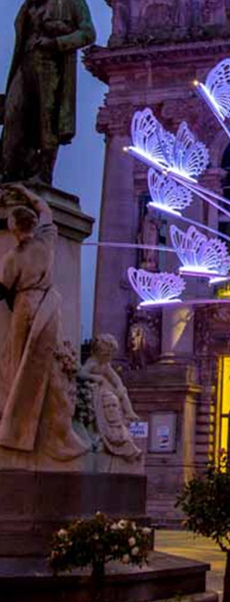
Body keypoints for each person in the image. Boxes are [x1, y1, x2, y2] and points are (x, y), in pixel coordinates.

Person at [0, 184, 89, 460]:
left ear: (14, 229)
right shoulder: (47, 239)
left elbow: (2, 291)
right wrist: (25, 192)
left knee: (20, 367)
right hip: (49, 305)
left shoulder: (13, 257)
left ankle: (15, 428)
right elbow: (45, 209)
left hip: (26, 309)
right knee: (46, 365)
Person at [1, 0, 95, 184]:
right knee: (13, 114)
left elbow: (88, 34)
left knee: (47, 118)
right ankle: (11, 169)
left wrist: (56, 42)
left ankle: (43, 173)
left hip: (52, 66)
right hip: (25, 64)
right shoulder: (30, 3)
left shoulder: (74, 1)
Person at [79, 334, 142, 463]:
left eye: (111, 355)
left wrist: (119, 386)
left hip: (106, 391)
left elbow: (115, 378)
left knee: (122, 391)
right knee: (112, 400)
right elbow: (81, 373)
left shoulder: (105, 365)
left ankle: (129, 411)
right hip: (99, 392)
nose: (109, 357)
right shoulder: (92, 363)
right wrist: (94, 377)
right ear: (100, 352)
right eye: (107, 354)